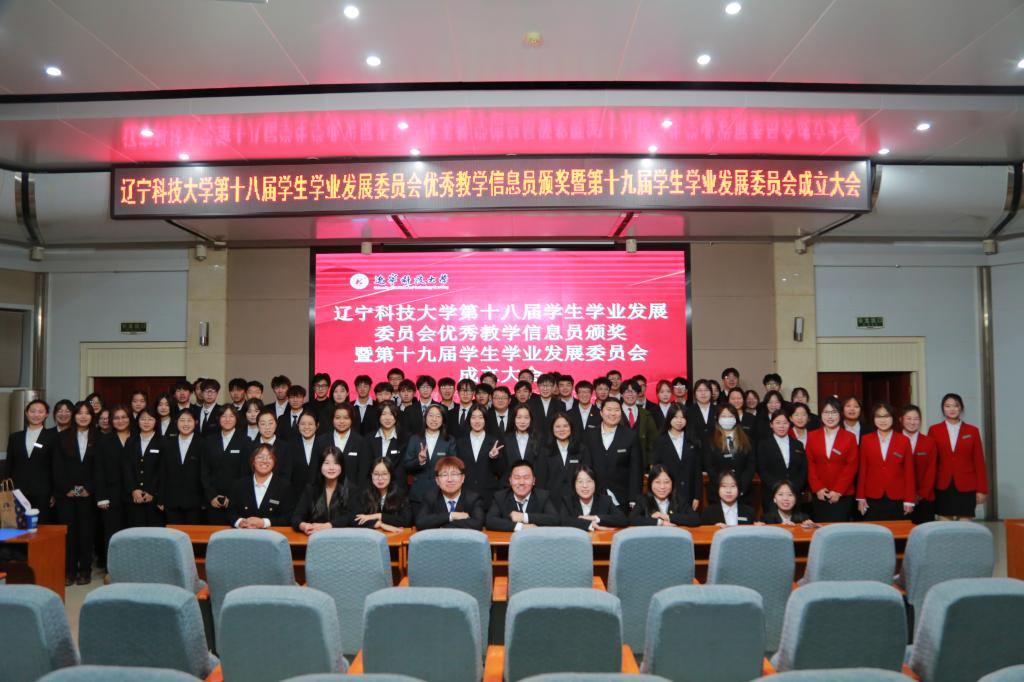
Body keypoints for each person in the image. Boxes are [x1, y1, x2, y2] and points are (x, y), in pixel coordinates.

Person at [53, 401, 98, 585]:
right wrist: (68, 489)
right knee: (68, 533)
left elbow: (100, 468)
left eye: (87, 413)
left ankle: (85, 570)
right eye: (79, 413)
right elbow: (56, 466)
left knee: (86, 533)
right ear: (74, 416)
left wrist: (87, 488)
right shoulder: (61, 437)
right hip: (66, 494)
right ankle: (69, 571)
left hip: (88, 494)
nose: (83, 416)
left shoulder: (99, 438)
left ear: (92, 416)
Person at [927, 393, 987, 521]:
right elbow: (931, 462)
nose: (952, 409)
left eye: (955, 405)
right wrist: (928, 488)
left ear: (961, 408)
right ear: (943, 408)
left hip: (967, 484)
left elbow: (979, 461)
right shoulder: (934, 430)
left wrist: (982, 489)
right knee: (944, 524)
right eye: (947, 406)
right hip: (943, 484)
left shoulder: (972, 431)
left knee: (966, 524)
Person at [582, 397, 643, 512]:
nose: (613, 413)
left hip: (622, 497)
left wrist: (634, 498)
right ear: (601, 413)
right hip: (594, 496)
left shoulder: (630, 436)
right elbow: (586, 466)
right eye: (609, 409)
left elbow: (636, 470)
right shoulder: (590, 435)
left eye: (616, 410)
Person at [857, 402, 915, 521]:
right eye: (878, 416)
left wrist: (909, 500)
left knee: (897, 530)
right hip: (872, 495)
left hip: (897, 496)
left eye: (886, 416)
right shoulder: (866, 440)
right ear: (873, 419)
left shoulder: (904, 441)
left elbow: (909, 472)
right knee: (874, 530)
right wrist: (860, 497)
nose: (883, 420)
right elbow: (862, 470)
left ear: (893, 418)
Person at [805, 397, 859, 522]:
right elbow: (809, 463)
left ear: (840, 414)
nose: (830, 416)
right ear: (821, 414)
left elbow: (851, 466)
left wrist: (838, 490)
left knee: (840, 529)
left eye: (834, 412)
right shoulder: (812, 436)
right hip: (820, 494)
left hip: (843, 494)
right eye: (826, 412)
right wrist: (817, 488)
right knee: (820, 528)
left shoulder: (850, 437)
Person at [4, 399, 57, 523]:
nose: (36, 415)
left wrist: (54, 492)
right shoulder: (15, 437)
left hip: (42, 492)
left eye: (40, 412)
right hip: (18, 491)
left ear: (46, 414)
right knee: (18, 526)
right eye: (32, 411)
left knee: (41, 527)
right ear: (26, 413)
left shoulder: (53, 437)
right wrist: (7, 490)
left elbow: (56, 466)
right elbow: (9, 465)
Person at [200, 406, 251, 526]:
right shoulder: (209, 441)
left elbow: (245, 473)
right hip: (213, 500)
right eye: (224, 416)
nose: (227, 419)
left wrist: (231, 497)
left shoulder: (245, 440)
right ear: (218, 419)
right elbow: (204, 471)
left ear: (236, 419)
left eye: (231, 416)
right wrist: (211, 496)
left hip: (236, 500)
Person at [403, 404, 457, 514]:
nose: (434, 419)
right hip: (418, 494)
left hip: (441, 493)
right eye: (431, 415)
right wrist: (420, 461)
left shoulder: (449, 440)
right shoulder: (415, 439)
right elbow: (407, 466)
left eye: (438, 416)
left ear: (443, 420)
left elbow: (453, 466)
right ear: (425, 418)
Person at [95, 405, 130, 569]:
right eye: (116, 418)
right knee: (112, 533)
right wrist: (101, 497)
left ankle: (131, 568)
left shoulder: (137, 437)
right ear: (111, 421)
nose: (120, 421)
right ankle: (113, 569)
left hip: (133, 494)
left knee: (131, 533)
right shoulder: (104, 441)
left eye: (124, 417)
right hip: (111, 494)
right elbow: (98, 470)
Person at [228, 444, 295, 528]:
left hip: (272, 534)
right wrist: (240, 522)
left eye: (269, 457)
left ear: (274, 462)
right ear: (253, 461)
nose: (264, 461)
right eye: (260, 457)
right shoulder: (239, 485)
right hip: (244, 533)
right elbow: (230, 513)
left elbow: (289, 517)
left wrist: (264, 523)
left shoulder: (285, 486)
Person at [650, 403, 702, 511]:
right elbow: (656, 468)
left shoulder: (693, 441)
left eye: (682, 417)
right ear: (669, 418)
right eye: (675, 417)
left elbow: (697, 471)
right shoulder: (660, 441)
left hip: (689, 493)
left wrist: (697, 496)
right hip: (668, 494)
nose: (679, 421)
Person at [756, 409, 808, 514]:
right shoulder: (763, 445)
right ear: (771, 425)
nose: (781, 426)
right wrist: (778, 489)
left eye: (785, 423)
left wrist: (795, 487)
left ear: (789, 424)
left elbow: (803, 469)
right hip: (772, 493)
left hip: (794, 493)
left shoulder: (798, 444)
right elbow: (762, 470)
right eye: (778, 423)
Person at [454, 403, 506, 508]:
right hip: (466, 494)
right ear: (469, 419)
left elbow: (500, 471)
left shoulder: (494, 442)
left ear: (485, 420)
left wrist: (494, 458)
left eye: (481, 417)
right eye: (473, 417)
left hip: (488, 495)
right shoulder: (460, 442)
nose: (477, 421)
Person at [486, 460, 561, 531]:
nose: (521, 482)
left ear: (534, 481)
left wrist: (524, 517)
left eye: (526, 477)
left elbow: (555, 520)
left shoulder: (542, 496)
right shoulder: (501, 496)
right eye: (517, 478)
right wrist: (521, 526)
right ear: (510, 480)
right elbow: (490, 521)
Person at [291, 447, 353, 533]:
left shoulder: (351, 490)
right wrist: (304, 526)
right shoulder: (311, 489)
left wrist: (328, 526)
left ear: (342, 467)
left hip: (342, 537)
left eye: (336, 463)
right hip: (315, 536)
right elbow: (296, 517)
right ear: (320, 466)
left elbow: (352, 517)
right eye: (327, 463)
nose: (331, 467)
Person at [413, 456, 485, 530]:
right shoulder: (430, 497)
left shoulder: (473, 498)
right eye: (444, 475)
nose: (450, 479)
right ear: (437, 480)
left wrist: (443, 524)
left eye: (454, 474)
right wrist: (451, 515)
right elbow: (420, 522)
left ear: (463, 478)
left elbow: (478, 524)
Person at [702, 404, 755, 504]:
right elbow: (710, 467)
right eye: (724, 416)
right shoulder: (709, 441)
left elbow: (751, 465)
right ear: (717, 419)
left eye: (731, 416)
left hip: (743, 492)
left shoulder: (747, 439)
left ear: (736, 418)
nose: (727, 419)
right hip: (718, 492)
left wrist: (741, 486)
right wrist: (723, 486)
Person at [158, 410, 204, 524]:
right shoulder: (167, 443)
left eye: (189, 420)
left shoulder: (202, 443)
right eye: (182, 420)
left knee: (193, 534)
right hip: (171, 500)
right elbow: (163, 472)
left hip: (195, 502)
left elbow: (205, 473)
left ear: (196, 422)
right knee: (173, 532)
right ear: (176, 422)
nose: (185, 424)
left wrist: (204, 500)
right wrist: (161, 498)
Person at [535, 413, 590, 502]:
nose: (562, 430)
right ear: (552, 429)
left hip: (577, 500)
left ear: (571, 427)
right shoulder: (544, 451)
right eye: (557, 426)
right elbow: (541, 481)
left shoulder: (581, 449)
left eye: (565, 426)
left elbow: (587, 477)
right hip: (551, 501)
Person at [122, 407, 162, 528]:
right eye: (143, 419)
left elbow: (162, 470)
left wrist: (152, 491)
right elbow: (126, 467)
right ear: (138, 421)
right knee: (135, 532)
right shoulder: (130, 441)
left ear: (156, 421)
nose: (146, 422)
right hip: (134, 497)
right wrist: (134, 489)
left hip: (154, 498)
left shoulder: (163, 442)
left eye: (150, 419)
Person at [628, 464, 700, 527]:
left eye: (666, 482)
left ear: (672, 483)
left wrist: (666, 517)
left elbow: (695, 519)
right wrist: (660, 522)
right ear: (650, 484)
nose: (662, 487)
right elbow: (631, 519)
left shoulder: (679, 500)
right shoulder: (643, 500)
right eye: (657, 482)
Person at [560, 465, 628, 531]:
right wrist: (590, 525)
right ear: (574, 485)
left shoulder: (605, 500)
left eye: (589, 481)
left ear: (595, 483)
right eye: (580, 481)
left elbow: (623, 520)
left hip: (600, 538)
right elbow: (563, 521)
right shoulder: (568, 501)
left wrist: (596, 518)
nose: (585, 485)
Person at [902, 404, 938, 524]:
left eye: (916, 419)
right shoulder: (894, 440)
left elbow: (931, 470)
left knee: (926, 531)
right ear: (901, 419)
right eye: (908, 418)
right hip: (900, 498)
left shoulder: (929, 442)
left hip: (925, 498)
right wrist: (908, 495)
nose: (912, 422)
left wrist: (920, 495)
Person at [352, 458, 412, 530]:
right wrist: (379, 524)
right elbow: (353, 519)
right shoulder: (363, 494)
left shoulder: (400, 494)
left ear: (391, 475)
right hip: (371, 535)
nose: (380, 478)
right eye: (376, 474)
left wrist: (379, 516)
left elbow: (406, 521)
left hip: (394, 535)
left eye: (384, 474)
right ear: (371, 475)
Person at [621, 380, 659, 468]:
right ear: (621, 394)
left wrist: (651, 462)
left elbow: (653, 441)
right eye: (627, 391)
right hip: (619, 464)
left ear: (638, 394)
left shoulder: (646, 414)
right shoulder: (614, 413)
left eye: (633, 391)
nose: (630, 394)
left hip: (642, 463)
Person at [367, 403, 407, 485]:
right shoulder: (368, 438)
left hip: (397, 486)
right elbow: (366, 466)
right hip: (373, 485)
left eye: (391, 414)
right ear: (379, 416)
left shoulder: (405, 439)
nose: (387, 418)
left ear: (396, 416)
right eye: (384, 414)